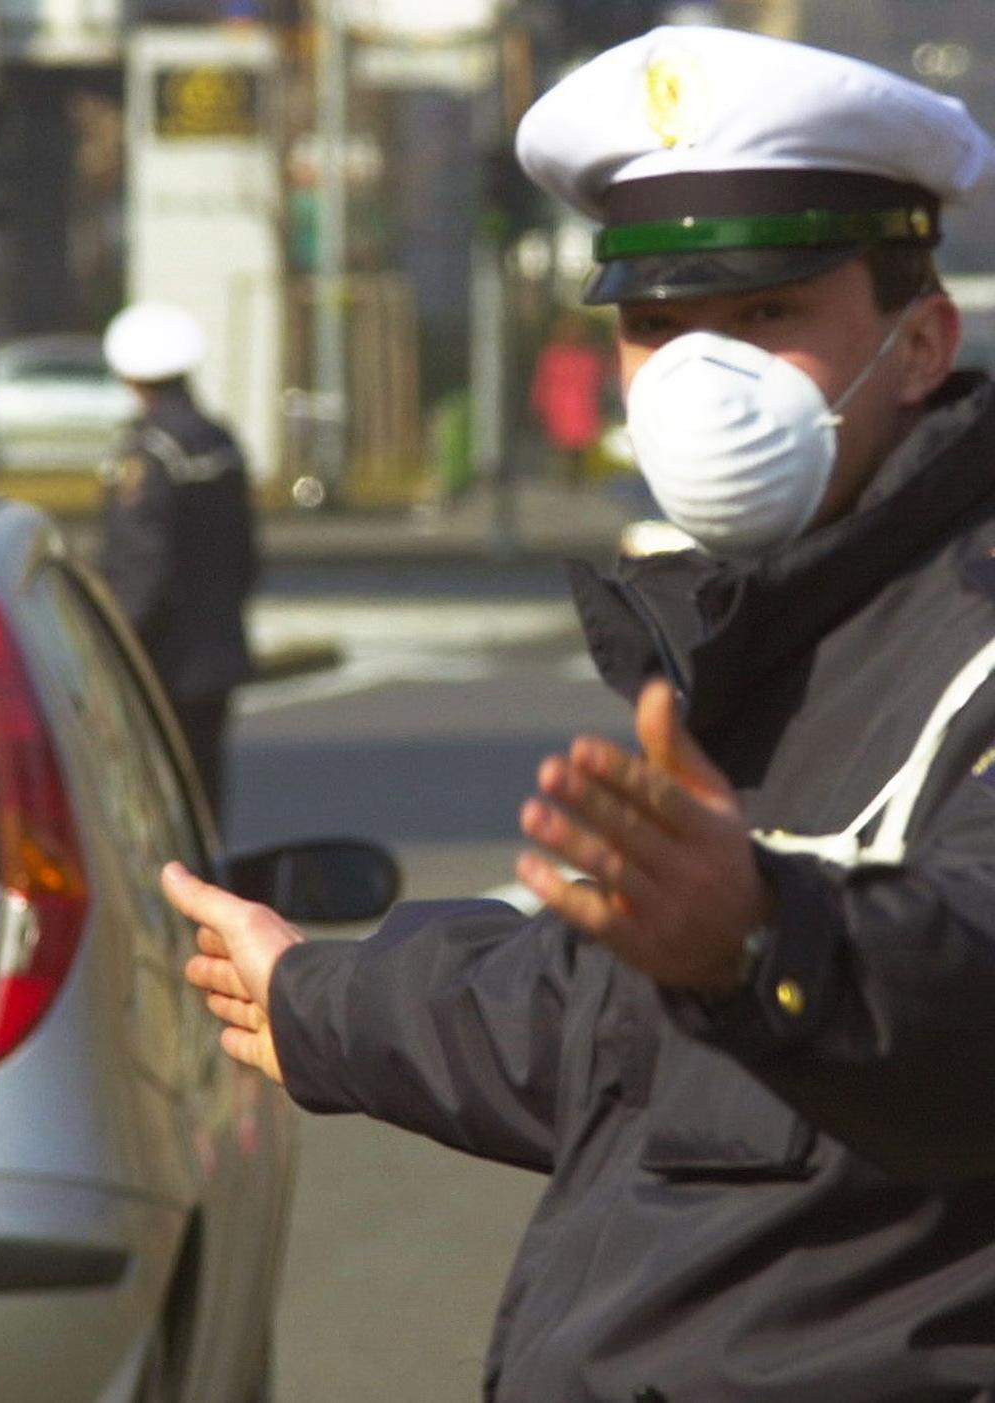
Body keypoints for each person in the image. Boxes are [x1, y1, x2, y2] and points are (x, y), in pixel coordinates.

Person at [161, 25, 995, 1403]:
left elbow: (962, 977)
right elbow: (603, 1019)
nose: (696, 378)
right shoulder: (778, 630)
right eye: (657, 327)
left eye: (770, 315)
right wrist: (317, 993)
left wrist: (763, 936)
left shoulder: (960, 639)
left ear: (918, 342)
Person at [98, 300, 258, 824]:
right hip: (217, 649)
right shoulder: (219, 440)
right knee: (206, 795)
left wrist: (116, 643)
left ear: (131, 376)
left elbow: (142, 564)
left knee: (157, 802)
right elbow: (244, 552)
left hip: (163, 658)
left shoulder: (148, 452)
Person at [528, 311, 610, 486]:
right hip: (572, 407)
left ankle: (570, 475)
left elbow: (543, 382)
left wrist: (538, 404)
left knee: (571, 446)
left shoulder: (558, 355)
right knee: (572, 446)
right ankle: (572, 475)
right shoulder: (562, 355)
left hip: (568, 407)